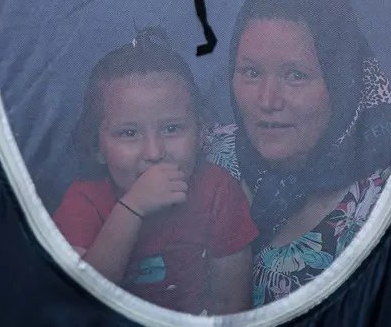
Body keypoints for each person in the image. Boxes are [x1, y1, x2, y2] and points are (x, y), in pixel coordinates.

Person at [205, 0, 391, 306]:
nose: (267, 101)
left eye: (295, 75)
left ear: (342, 83)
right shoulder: (209, 154)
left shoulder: (385, 210)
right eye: (251, 73)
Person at [52, 28, 258, 315]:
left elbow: (232, 302)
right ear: (97, 147)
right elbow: (82, 298)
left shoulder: (216, 191)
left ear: (200, 133)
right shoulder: (83, 202)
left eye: (172, 129)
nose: (154, 152)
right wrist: (132, 208)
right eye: (128, 133)